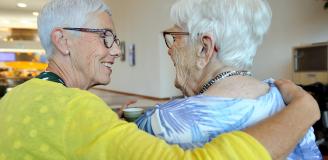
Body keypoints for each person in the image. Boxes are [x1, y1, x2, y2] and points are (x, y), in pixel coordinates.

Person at [0, 0, 320, 159]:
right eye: (106, 37)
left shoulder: (16, 99)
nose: (115, 51)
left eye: (175, 38)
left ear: (205, 48)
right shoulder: (285, 103)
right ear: (63, 41)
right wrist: (304, 110)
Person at [135, 0, 322, 159]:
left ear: (204, 48)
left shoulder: (162, 122)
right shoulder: (292, 106)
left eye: (175, 37)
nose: (170, 49)